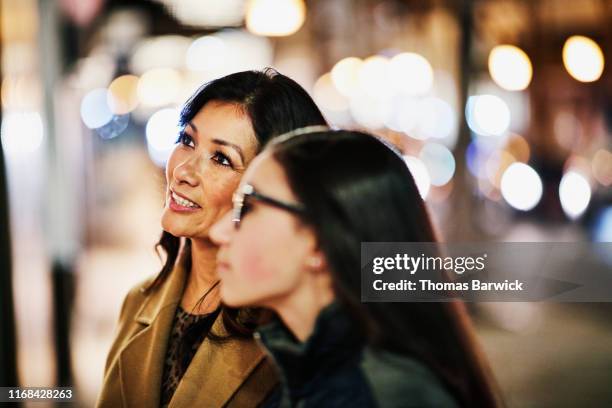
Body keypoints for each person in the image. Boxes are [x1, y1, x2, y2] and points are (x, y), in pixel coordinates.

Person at [210, 129, 503, 407]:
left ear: (319, 242)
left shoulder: (387, 396)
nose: (219, 232)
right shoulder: (303, 372)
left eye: (246, 208)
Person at [96, 69, 328, 408]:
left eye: (221, 159)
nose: (183, 171)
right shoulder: (138, 302)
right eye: (187, 140)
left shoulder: (289, 331)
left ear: (271, 187)